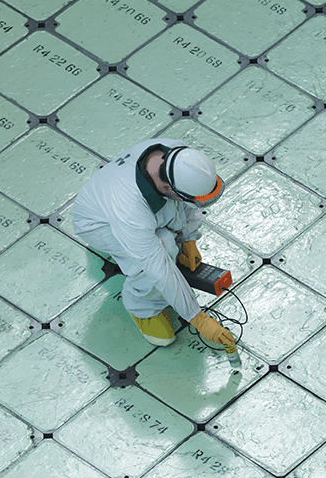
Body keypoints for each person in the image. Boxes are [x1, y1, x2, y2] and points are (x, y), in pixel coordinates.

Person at [72, 138, 235, 350]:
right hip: (97, 224)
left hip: (112, 202)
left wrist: (188, 239)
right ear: (167, 187)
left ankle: (168, 284)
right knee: (164, 246)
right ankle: (142, 307)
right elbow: (157, 266)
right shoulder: (130, 210)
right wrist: (197, 317)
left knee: (170, 227)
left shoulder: (180, 158)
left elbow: (185, 201)